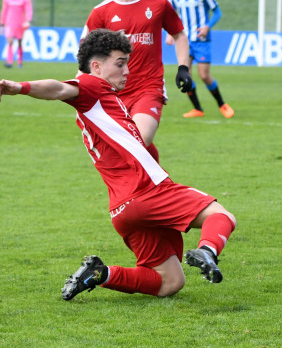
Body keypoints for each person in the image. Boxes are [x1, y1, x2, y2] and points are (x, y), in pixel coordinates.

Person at [0, 28, 237, 301]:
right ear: (96, 66)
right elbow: (59, 88)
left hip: (123, 209)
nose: (127, 71)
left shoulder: (102, 109)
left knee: (169, 283)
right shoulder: (92, 86)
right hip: (148, 191)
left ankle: (101, 273)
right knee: (221, 217)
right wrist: (19, 87)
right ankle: (207, 252)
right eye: (120, 63)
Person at [82, 0, 194, 162]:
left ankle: (153, 184)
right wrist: (81, 87)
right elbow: (85, 55)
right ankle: (157, 180)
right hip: (113, 93)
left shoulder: (158, 3)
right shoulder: (101, 12)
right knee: (128, 149)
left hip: (148, 88)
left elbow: (179, 35)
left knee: (138, 140)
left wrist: (183, 68)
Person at [167, 0, 234, 119]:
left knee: (204, 75)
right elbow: (169, 16)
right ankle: (198, 109)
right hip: (184, 40)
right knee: (186, 75)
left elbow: (217, 12)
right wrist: (170, 33)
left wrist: (207, 26)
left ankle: (222, 105)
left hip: (201, 40)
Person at [1, 0, 33, 68]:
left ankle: (19, 61)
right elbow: (4, 10)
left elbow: (28, 10)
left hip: (20, 23)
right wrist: (2, 22)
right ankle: (9, 62)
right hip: (10, 23)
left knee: (19, 42)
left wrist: (28, 21)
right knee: (10, 41)